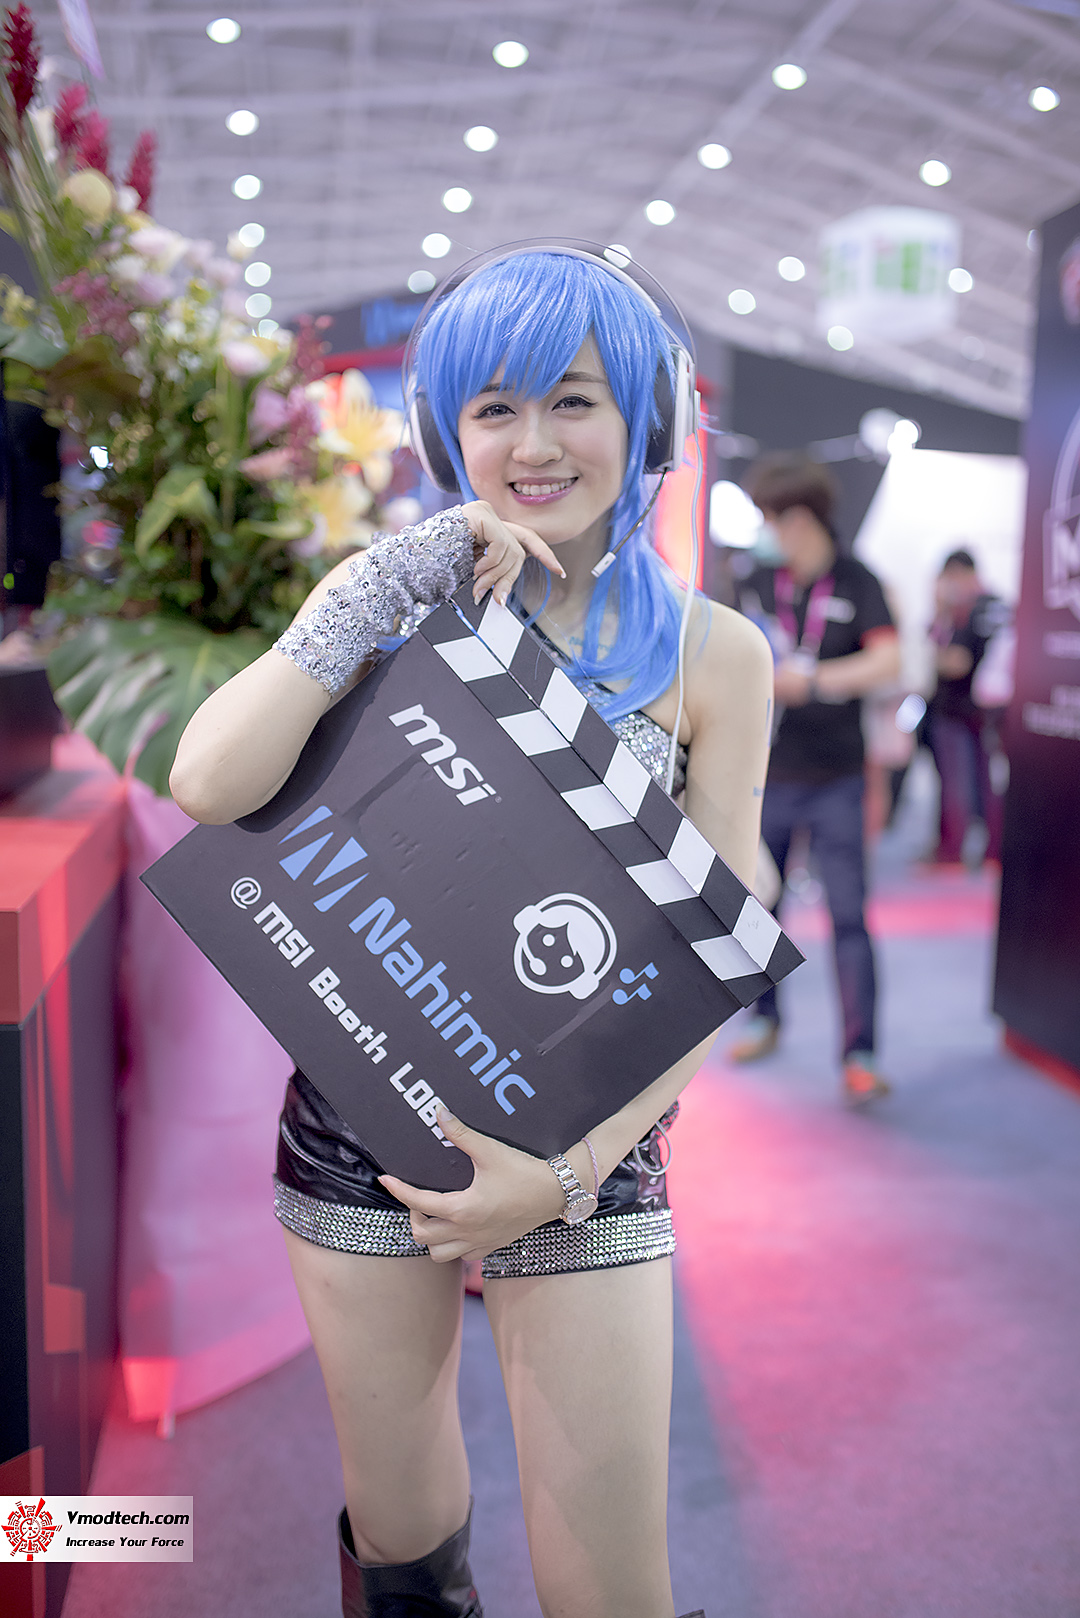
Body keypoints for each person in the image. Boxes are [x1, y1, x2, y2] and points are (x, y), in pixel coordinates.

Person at [169, 245, 773, 1618]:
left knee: (608, 1586)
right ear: (449, 430)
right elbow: (206, 781)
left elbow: (721, 955)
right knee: (405, 1538)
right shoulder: (399, 603)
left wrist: (569, 1171)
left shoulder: (713, 654)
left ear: (644, 419)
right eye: (495, 407)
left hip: (590, 1148)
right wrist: (373, 591)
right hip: (362, 1126)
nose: (535, 443)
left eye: (574, 400)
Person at [731, 452, 901, 1104]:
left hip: (838, 779)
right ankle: (765, 1018)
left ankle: (860, 1053)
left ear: (799, 519)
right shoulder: (755, 579)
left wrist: (817, 681)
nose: (766, 531)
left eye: (770, 518)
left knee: (849, 915)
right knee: (759, 909)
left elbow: (888, 660)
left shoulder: (858, 579)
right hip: (768, 775)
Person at [926, 548, 1007, 865]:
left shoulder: (965, 608)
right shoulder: (998, 605)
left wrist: (925, 654)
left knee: (956, 782)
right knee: (989, 782)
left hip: (957, 709)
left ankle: (952, 851)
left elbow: (957, 661)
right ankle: (994, 850)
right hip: (993, 710)